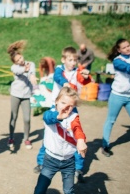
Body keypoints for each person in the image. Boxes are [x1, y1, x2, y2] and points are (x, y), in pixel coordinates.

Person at [33, 46, 91, 183]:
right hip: (57, 106)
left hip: (71, 108)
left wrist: (86, 76)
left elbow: (85, 80)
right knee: (49, 135)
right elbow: (58, 77)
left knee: (76, 137)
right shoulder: (59, 69)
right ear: (63, 59)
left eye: (75, 60)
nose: (73, 62)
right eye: (70, 60)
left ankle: (78, 168)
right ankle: (41, 162)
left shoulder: (78, 71)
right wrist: (65, 83)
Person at [34, 87, 87, 194]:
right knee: (40, 189)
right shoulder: (51, 113)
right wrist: (59, 116)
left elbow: (77, 128)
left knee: (69, 191)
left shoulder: (73, 117)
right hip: (50, 160)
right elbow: (47, 117)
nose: (66, 107)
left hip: (69, 161)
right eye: (63, 102)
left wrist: (81, 140)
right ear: (56, 101)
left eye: (70, 105)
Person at [102, 38, 130, 157]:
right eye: (124, 47)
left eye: (128, 46)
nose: (127, 48)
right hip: (117, 95)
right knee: (111, 120)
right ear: (119, 50)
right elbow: (129, 69)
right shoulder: (117, 61)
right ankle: (105, 145)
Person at [6, 40, 37, 150]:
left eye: (21, 58)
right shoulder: (14, 67)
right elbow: (18, 71)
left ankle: (27, 138)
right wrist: (25, 69)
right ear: (15, 62)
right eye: (18, 60)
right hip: (15, 94)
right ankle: (11, 137)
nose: (20, 60)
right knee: (13, 117)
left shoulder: (31, 64)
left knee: (27, 119)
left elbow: (32, 72)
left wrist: (32, 77)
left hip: (26, 95)